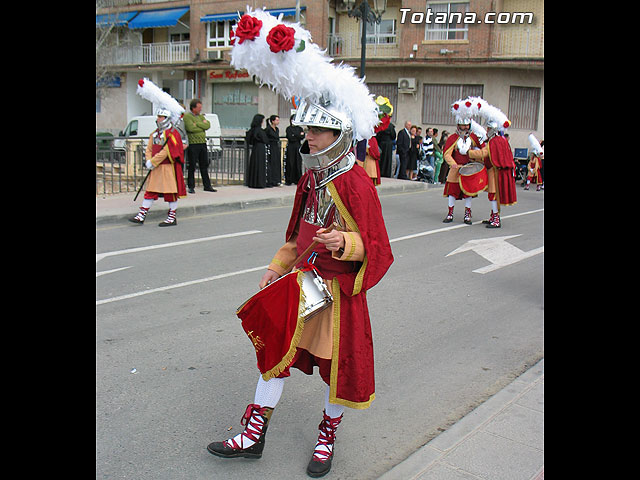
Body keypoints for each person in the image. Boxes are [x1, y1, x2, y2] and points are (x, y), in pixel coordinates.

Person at [208, 9, 394, 478]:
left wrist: (345, 243)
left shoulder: (356, 183)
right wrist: (277, 265)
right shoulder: (311, 179)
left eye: (316, 131)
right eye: (307, 130)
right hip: (305, 281)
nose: (306, 137)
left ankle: (327, 439)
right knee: (274, 351)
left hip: (339, 292)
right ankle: (253, 435)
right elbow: (298, 234)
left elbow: (377, 246)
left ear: (339, 134)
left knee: (338, 370)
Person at [129, 79, 186, 226]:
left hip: (167, 167)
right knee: (150, 191)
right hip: (156, 168)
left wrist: (152, 161)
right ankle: (141, 215)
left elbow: (168, 151)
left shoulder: (172, 134)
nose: (158, 119)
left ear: (166, 119)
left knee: (170, 193)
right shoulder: (154, 134)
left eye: (161, 117)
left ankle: (172, 217)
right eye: (158, 117)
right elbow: (149, 148)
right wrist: (148, 160)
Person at [466, 98, 518, 228]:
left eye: (488, 127)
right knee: (494, 195)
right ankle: (493, 216)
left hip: (495, 172)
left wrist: (469, 153)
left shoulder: (494, 141)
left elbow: (484, 153)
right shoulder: (501, 140)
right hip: (497, 171)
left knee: (493, 195)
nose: (487, 129)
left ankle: (496, 219)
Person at [442, 100, 485, 224]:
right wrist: (453, 164)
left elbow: (482, 151)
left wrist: (476, 158)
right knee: (452, 192)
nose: (465, 128)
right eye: (463, 125)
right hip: (456, 169)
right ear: (458, 125)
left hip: (469, 169)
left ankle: (467, 215)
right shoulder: (453, 138)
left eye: (467, 125)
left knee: (468, 193)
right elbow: (447, 154)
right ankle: (450, 213)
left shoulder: (474, 138)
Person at [184, 99, 216, 193]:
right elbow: (190, 128)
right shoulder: (187, 117)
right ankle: (191, 186)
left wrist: (197, 124)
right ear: (193, 108)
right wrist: (201, 126)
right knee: (192, 165)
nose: (200, 109)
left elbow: (208, 125)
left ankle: (207, 185)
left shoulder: (201, 116)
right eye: (199, 108)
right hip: (193, 143)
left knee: (204, 164)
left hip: (202, 143)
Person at [246, 114, 269, 188]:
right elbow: (265, 140)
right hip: (260, 148)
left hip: (255, 148)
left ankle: (253, 182)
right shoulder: (260, 130)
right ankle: (259, 183)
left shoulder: (252, 130)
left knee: (254, 165)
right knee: (260, 165)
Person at [374, 100, 396, 178]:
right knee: (387, 160)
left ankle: (381, 172)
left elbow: (378, 135)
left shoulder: (382, 124)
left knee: (382, 159)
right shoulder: (390, 126)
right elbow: (393, 136)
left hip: (382, 143)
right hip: (388, 144)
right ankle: (387, 173)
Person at [285, 114, 305, 185]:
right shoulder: (289, 128)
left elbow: (302, 136)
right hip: (291, 147)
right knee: (290, 162)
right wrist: (298, 135)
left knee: (298, 162)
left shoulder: (299, 128)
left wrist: (296, 135)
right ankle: (289, 179)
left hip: (298, 146)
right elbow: (290, 137)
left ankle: (298, 179)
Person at [265, 115, 281, 187]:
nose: (278, 121)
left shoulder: (277, 129)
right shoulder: (268, 129)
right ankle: (270, 180)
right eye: (276, 120)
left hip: (276, 146)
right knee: (271, 163)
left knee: (276, 163)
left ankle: (276, 180)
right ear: (272, 121)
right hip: (270, 146)